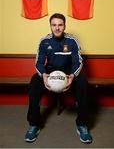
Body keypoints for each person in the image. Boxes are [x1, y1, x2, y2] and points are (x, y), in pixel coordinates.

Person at [25, 13, 92, 144]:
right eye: (54, 25)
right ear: (50, 26)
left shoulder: (72, 40)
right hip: (50, 72)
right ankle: (34, 124)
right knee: (34, 81)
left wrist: (72, 76)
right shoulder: (44, 41)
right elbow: (39, 63)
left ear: (64, 26)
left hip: (68, 72)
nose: (57, 28)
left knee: (82, 81)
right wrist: (44, 75)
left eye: (60, 25)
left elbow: (77, 62)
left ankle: (82, 124)